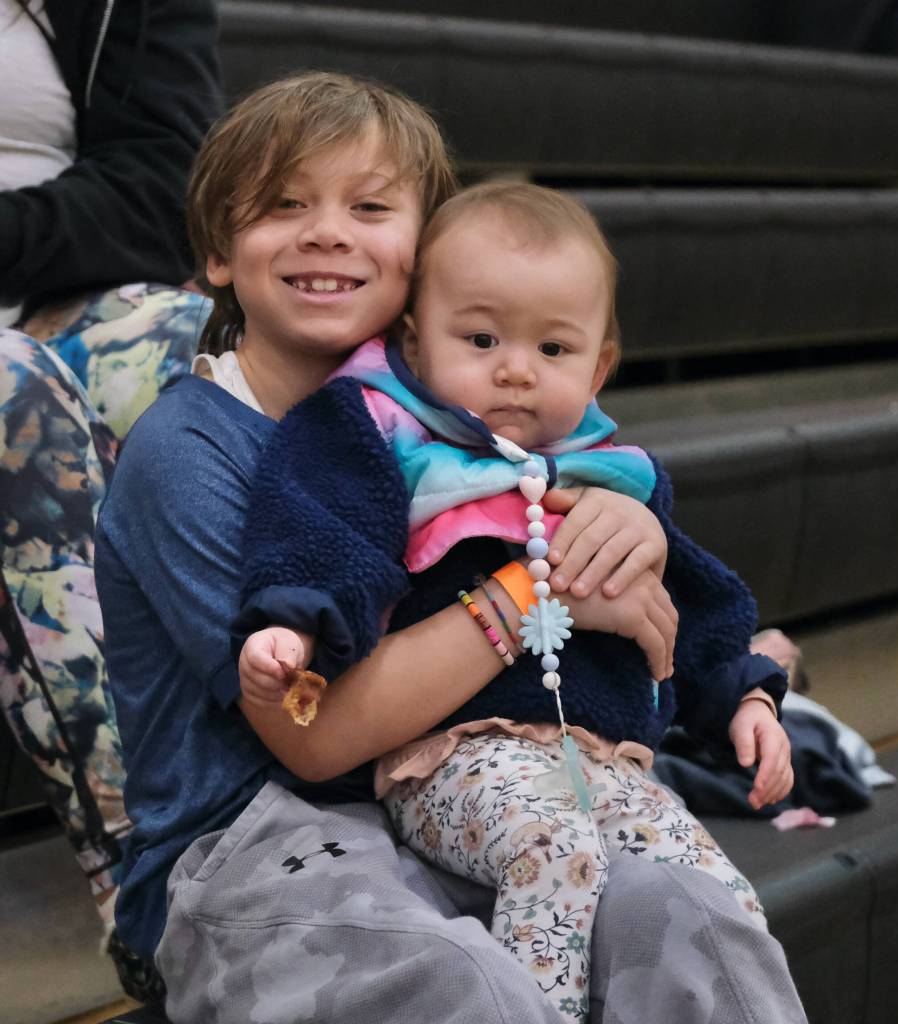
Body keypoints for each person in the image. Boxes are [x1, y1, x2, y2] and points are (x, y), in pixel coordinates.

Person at [95, 72, 808, 1022]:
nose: (326, 231)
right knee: (454, 980)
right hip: (247, 847)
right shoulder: (187, 451)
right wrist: (541, 591)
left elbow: (660, 587)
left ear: (422, 259)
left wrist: (628, 529)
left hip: (460, 800)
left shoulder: (458, 427)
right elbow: (317, 741)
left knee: (693, 921)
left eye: (370, 207)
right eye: (282, 206)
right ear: (220, 252)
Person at [234, 182, 795, 1018]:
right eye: (482, 336)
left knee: (709, 885)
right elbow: (323, 529)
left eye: (554, 349)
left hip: (602, 761)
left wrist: (743, 696)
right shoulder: (384, 431)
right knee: (553, 849)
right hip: (455, 754)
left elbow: (697, 597)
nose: (515, 369)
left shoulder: (616, 476)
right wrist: (295, 625)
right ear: (417, 341)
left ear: (599, 365)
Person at [0, 0, 220, 982]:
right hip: (19, 366)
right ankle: (154, 882)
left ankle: (396, 774)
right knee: (13, 392)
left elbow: (159, 188)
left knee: (229, 350)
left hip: (56, 294)